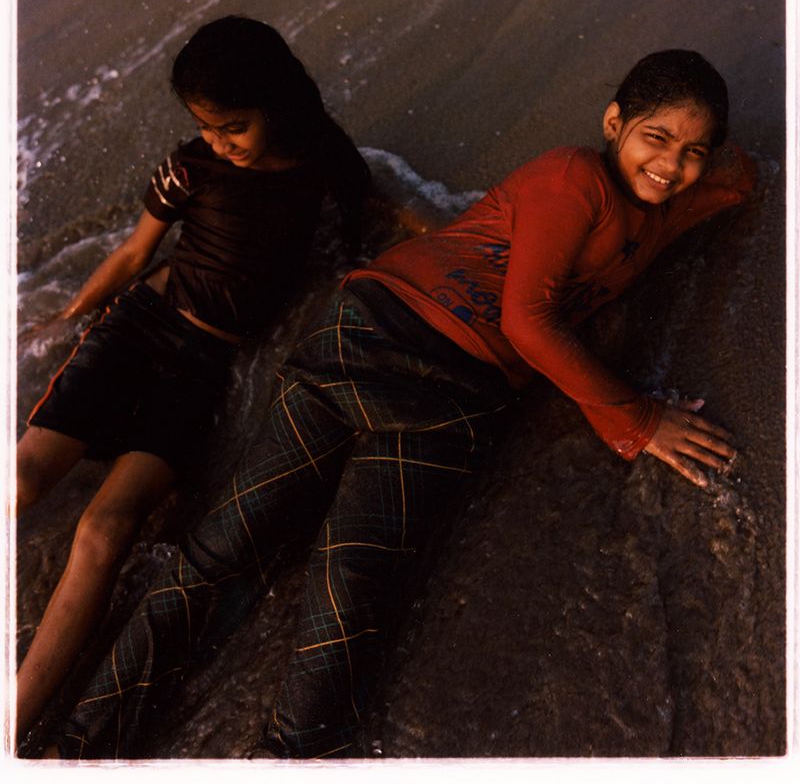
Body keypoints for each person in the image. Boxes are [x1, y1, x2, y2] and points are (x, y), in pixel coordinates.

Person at [52, 48, 755, 760]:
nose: (671, 163)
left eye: (693, 150)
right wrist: (635, 418)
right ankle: (77, 749)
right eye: (655, 138)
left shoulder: (668, 205)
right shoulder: (575, 176)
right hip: (375, 337)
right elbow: (528, 322)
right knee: (226, 548)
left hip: (447, 391)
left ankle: (292, 755)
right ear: (613, 123)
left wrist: (721, 171)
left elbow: (736, 179)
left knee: (350, 579)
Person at [16, 16, 371, 749]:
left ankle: (11, 721)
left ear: (276, 100)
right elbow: (134, 253)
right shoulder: (190, 168)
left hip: (201, 367)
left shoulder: (324, 162)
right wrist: (64, 319)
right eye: (205, 128)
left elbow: (365, 228)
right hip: (137, 327)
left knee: (106, 528)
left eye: (232, 126)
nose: (217, 143)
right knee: (19, 479)